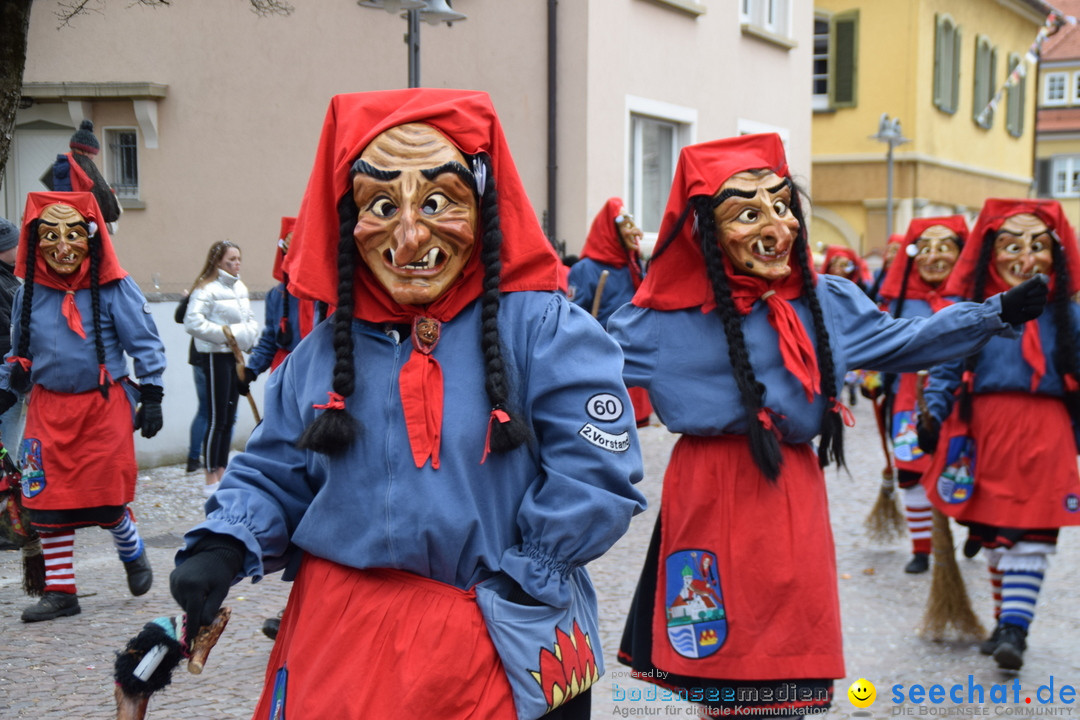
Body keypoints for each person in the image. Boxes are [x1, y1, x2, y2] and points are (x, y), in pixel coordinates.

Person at [168, 88, 645, 720]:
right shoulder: (322, 351)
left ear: (484, 207)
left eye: (440, 201)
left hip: (502, 632)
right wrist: (223, 544)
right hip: (341, 649)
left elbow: (596, 474)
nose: (412, 235)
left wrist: (525, 579)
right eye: (384, 205)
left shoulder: (544, 329)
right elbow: (274, 471)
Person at [607, 133, 1047, 716]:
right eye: (748, 212)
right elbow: (578, 371)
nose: (777, 225)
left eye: (782, 206)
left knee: (785, 651)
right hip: (708, 491)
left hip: (790, 487)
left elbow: (906, 340)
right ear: (703, 231)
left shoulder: (827, 303)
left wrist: (992, 315)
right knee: (719, 650)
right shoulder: (656, 322)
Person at [917, 198, 1080, 672]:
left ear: (1058, 254)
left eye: (1037, 245)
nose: (1024, 257)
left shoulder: (1066, 316)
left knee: (1031, 533)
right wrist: (933, 412)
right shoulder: (975, 312)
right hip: (981, 432)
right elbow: (947, 364)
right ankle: (1002, 621)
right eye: (1010, 245)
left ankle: (1014, 627)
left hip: (1045, 433)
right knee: (993, 533)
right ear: (990, 253)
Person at [0, 191, 165, 623]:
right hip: (48, 410)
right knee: (48, 503)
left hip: (102, 406)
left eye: (73, 234)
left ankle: (132, 550)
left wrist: (152, 394)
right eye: (50, 235)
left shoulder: (114, 288)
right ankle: (61, 592)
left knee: (106, 502)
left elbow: (145, 342)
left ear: (90, 238)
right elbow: (19, 350)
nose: (62, 246)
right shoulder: (29, 292)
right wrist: (9, 382)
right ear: (36, 241)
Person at [243, 216, 326, 641]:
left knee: (320, 503)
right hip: (290, 394)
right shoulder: (279, 295)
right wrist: (252, 370)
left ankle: (304, 604)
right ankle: (297, 605)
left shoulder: (334, 291)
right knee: (287, 491)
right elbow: (269, 340)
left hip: (331, 397)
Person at [876, 216, 968, 574]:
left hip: (964, 401)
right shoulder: (897, 301)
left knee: (961, 470)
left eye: (944, 247)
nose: (933, 256)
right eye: (925, 248)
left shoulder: (975, 297)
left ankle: (978, 527)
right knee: (911, 470)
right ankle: (921, 549)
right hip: (909, 398)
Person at [183, 241, 258, 498]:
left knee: (229, 415)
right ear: (218, 262)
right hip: (214, 356)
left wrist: (242, 338)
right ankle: (210, 474)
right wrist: (225, 336)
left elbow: (250, 321)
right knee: (217, 417)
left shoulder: (241, 287)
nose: (236, 264)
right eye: (231, 260)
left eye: (239, 259)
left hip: (234, 357)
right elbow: (193, 322)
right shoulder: (206, 289)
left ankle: (223, 470)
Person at [568, 198, 652, 426]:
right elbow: (572, 318)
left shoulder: (632, 267)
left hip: (631, 359)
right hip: (601, 360)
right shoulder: (585, 269)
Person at [41, 120, 121, 227]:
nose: (93, 157)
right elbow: (95, 190)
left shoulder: (61, 162)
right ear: (86, 151)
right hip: (79, 217)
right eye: (93, 153)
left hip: (63, 213)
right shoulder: (83, 164)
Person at [0, 218, 25, 451]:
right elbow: (8, 335)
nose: (20, 248)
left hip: (10, 379)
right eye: (15, 243)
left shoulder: (10, 278)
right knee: (9, 455)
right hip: (6, 382)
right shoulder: (4, 282)